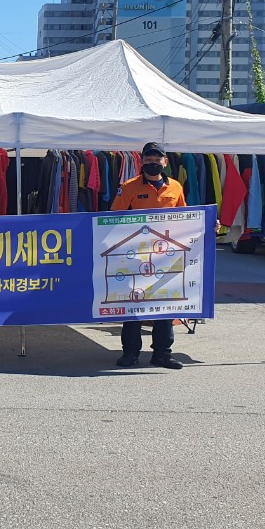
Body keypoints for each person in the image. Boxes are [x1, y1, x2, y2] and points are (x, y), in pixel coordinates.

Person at [111, 142, 185, 370]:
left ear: (165, 162)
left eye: (157, 158)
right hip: (136, 256)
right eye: (149, 158)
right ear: (141, 161)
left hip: (166, 256)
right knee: (134, 304)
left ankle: (162, 354)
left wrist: (211, 224)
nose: (153, 162)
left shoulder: (176, 187)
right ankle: (130, 352)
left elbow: (187, 217)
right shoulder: (128, 187)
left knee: (164, 306)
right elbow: (114, 218)